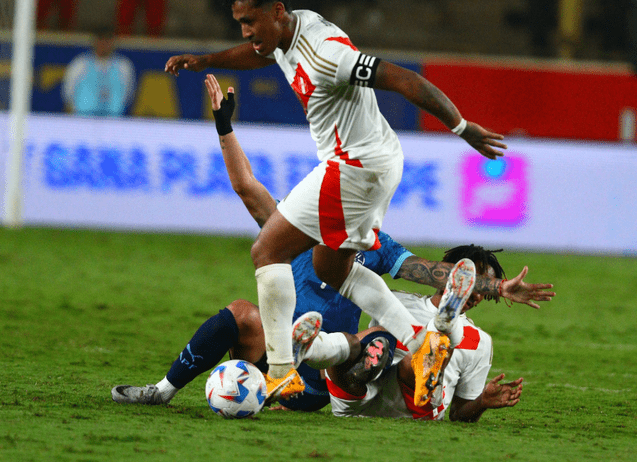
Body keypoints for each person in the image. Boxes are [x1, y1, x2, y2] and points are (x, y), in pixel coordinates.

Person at [164, 0, 513, 407]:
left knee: (267, 251)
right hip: (368, 163)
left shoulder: (327, 54)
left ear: (276, 12)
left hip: (354, 165)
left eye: (251, 21)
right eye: (240, 24)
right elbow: (262, 53)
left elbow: (406, 80)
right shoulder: (285, 34)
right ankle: (421, 344)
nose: (247, 31)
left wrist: (461, 127)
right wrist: (208, 59)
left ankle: (280, 371)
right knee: (333, 269)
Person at [111, 77, 554, 410]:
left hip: (320, 381)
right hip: (276, 363)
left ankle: (334, 351)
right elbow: (246, 186)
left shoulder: (372, 241)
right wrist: (224, 125)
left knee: (371, 337)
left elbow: (429, 271)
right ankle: (162, 391)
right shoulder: (295, 227)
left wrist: (492, 287)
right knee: (242, 313)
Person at [327, 244, 524, 422]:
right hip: (362, 392)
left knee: (418, 357)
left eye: (485, 288)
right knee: (346, 347)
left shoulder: (480, 341)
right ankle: (316, 350)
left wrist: (482, 402)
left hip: (415, 405)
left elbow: (459, 413)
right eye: (476, 283)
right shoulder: (396, 301)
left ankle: (441, 329)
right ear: (448, 274)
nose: (478, 294)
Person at [62, 27, 136, 117]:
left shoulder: (124, 66)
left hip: (113, 120)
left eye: (107, 41)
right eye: (101, 41)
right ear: (95, 42)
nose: (104, 44)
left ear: (113, 43)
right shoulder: (80, 63)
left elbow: (128, 95)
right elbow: (68, 93)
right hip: (83, 119)